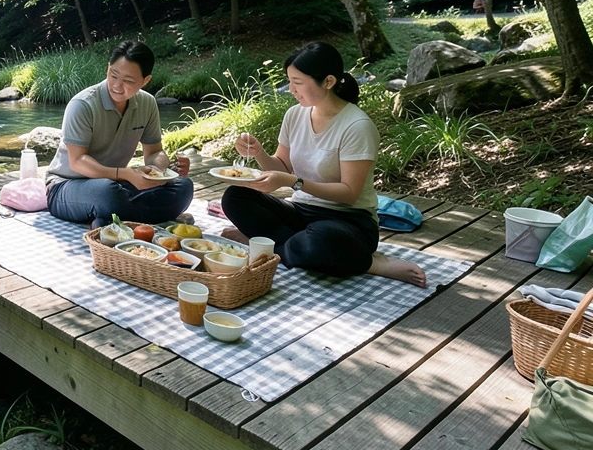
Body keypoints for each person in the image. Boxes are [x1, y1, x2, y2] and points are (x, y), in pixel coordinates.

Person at [219, 42, 426, 287]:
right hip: (301, 213)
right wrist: (258, 152)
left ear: (328, 81)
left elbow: (349, 194)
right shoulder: (294, 115)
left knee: (321, 239)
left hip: (348, 222)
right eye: (290, 81)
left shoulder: (357, 126)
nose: (291, 90)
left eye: (297, 83)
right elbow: (282, 166)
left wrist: (294, 182)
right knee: (235, 197)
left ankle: (371, 263)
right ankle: (280, 246)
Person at [45, 41, 193, 228]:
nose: (117, 85)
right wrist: (126, 174)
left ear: (145, 80)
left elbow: (155, 152)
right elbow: (77, 161)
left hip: (117, 184)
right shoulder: (82, 104)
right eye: (113, 75)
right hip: (67, 186)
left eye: (128, 81)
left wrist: (159, 171)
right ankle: (136, 217)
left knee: (183, 187)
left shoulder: (147, 103)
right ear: (108, 68)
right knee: (106, 193)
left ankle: (110, 220)